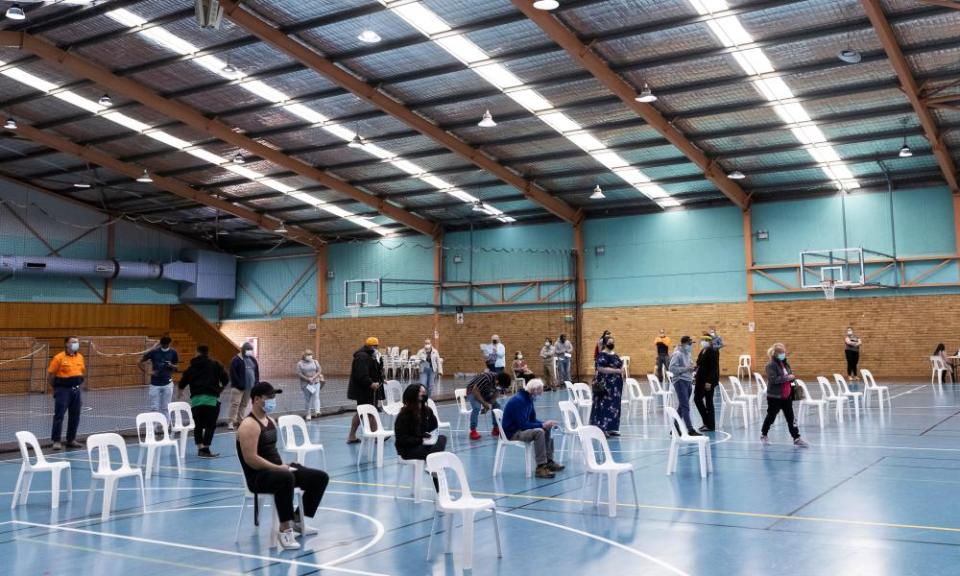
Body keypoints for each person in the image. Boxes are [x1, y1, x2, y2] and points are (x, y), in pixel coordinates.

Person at [237, 382, 330, 550]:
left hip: (276, 471)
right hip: (258, 477)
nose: (273, 401)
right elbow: (251, 459)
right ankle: (284, 529)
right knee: (285, 478)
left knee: (319, 477)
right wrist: (278, 468)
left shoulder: (270, 420)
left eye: (274, 397)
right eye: (269, 398)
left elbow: (270, 452)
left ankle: (297, 521)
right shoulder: (249, 425)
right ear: (257, 399)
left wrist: (285, 465)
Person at [501, 379, 564, 478]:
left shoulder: (528, 399)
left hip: (521, 429)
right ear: (534, 390)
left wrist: (545, 424)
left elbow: (532, 420)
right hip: (513, 432)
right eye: (540, 392)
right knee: (539, 432)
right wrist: (541, 425)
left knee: (548, 428)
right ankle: (540, 467)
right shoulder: (519, 401)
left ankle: (549, 461)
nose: (541, 394)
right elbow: (523, 425)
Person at [177, 344, 228, 458]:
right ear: (207, 353)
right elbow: (225, 379)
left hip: (196, 400)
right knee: (210, 425)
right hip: (211, 400)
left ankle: (200, 448)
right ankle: (206, 448)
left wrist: (180, 391)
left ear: (197, 353)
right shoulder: (215, 365)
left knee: (198, 425)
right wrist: (220, 389)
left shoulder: (191, 368)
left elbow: (182, 382)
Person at [394, 383, 447, 490]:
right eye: (421, 392)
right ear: (413, 395)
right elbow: (402, 440)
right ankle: (438, 488)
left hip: (423, 445)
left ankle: (432, 469)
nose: (424, 394)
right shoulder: (404, 415)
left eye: (424, 392)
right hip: (408, 450)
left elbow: (434, 427)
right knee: (436, 459)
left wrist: (430, 435)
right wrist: (420, 440)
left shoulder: (426, 411)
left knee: (442, 439)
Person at [761, 344, 808, 447]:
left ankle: (796, 438)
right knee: (771, 416)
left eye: (784, 352)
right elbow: (774, 380)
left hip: (786, 397)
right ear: (777, 354)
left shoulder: (785, 364)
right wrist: (787, 377)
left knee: (791, 418)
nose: (784, 354)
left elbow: (791, 377)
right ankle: (764, 434)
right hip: (775, 397)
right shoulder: (770, 365)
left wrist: (795, 387)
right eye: (782, 352)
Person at [48, 336, 85, 450]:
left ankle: (71, 439)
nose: (76, 344)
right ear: (66, 344)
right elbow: (50, 375)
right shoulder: (58, 358)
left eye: (77, 342)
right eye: (73, 342)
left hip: (76, 390)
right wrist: (56, 389)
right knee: (59, 416)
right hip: (63, 390)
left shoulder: (80, 357)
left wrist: (78, 385)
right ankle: (56, 441)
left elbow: (81, 372)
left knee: (75, 416)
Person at [346, 337, 383, 444]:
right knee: (368, 412)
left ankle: (352, 436)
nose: (376, 348)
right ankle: (376, 435)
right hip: (363, 390)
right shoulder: (361, 357)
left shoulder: (372, 355)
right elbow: (361, 374)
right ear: (369, 346)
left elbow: (376, 370)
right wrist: (371, 383)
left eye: (376, 346)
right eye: (374, 346)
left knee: (365, 412)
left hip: (370, 390)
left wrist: (381, 380)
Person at [589, 335, 625, 437]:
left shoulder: (615, 354)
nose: (611, 343)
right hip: (605, 385)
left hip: (616, 386)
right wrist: (616, 370)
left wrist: (620, 369)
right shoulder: (602, 355)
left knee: (614, 406)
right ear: (605, 344)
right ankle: (602, 428)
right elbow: (600, 368)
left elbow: (620, 364)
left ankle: (612, 428)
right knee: (604, 405)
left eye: (612, 341)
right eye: (609, 342)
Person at [668, 336, 701, 436]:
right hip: (680, 381)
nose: (691, 346)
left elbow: (688, 366)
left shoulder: (688, 353)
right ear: (684, 344)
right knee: (685, 406)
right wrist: (686, 369)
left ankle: (674, 427)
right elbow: (672, 368)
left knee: (682, 406)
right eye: (689, 344)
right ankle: (690, 429)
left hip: (688, 380)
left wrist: (692, 369)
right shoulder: (677, 354)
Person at [466, 369, 511, 441]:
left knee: (497, 406)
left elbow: (496, 394)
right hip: (472, 390)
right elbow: (475, 391)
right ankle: (473, 431)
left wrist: (489, 405)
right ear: (497, 381)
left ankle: (495, 428)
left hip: (485, 392)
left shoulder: (500, 384)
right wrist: (484, 403)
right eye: (501, 386)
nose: (501, 388)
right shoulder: (486, 378)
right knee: (476, 408)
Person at [140, 335, 179, 417]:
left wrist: (171, 365)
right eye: (163, 344)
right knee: (154, 407)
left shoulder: (173, 352)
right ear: (161, 344)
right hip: (155, 384)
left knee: (166, 407)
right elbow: (139, 362)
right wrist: (148, 372)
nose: (165, 346)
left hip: (167, 383)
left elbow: (176, 367)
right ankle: (155, 427)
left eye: (166, 344)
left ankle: (166, 426)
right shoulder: (154, 352)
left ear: (169, 344)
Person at [227, 341, 259, 430]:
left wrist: (256, 382)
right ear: (244, 350)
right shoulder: (236, 359)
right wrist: (239, 384)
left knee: (244, 405)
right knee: (235, 404)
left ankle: (240, 421)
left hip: (249, 387)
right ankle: (231, 422)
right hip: (238, 387)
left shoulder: (253, 359)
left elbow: (256, 372)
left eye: (251, 350)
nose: (250, 351)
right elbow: (233, 373)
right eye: (249, 350)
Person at [694, 334, 719, 432]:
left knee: (708, 402)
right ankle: (706, 422)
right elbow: (699, 363)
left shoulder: (712, 351)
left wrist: (709, 382)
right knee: (697, 399)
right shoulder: (703, 350)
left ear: (709, 341)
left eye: (704, 340)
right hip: (700, 380)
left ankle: (710, 425)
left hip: (707, 382)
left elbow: (714, 368)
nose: (702, 342)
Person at [297, 349, 324, 420]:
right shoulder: (300, 363)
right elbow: (299, 374)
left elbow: (319, 370)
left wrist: (313, 378)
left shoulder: (315, 362)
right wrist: (307, 379)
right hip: (306, 384)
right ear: (304, 355)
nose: (310, 356)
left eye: (311, 355)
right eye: (308, 355)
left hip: (316, 382)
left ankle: (317, 411)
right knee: (307, 399)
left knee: (316, 396)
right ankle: (308, 414)